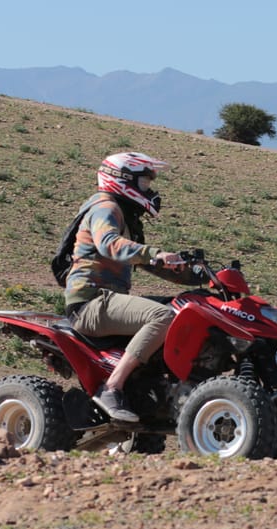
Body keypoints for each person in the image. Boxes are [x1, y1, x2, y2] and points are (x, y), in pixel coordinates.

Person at [63, 151, 201, 423]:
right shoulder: (106, 208)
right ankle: (112, 388)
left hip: (108, 301)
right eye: (144, 183)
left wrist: (201, 278)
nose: (148, 190)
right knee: (163, 316)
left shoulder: (125, 216)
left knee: (188, 306)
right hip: (90, 302)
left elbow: (150, 264)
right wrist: (154, 252)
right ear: (121, 179)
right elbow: (109, 244)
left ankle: (155, 387)